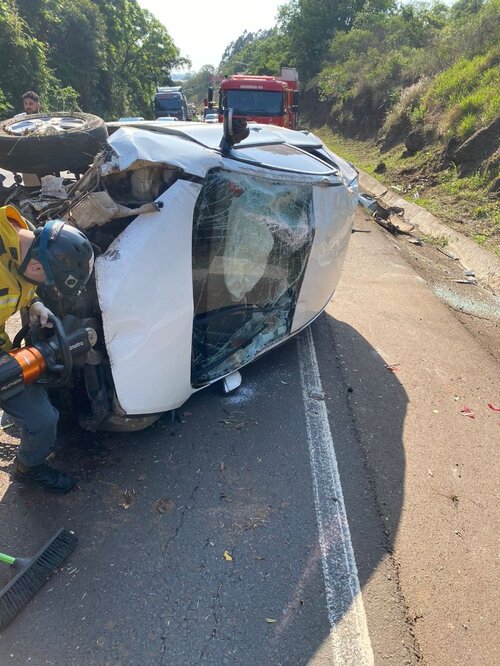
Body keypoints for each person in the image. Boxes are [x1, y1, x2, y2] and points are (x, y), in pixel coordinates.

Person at [0, 204, 94, 493]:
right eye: (47, 282)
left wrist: (34, 303)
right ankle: (31, 469)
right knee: (40, 417)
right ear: (37, 267)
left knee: (41, 417)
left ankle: (29, 465)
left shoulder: (26, 239)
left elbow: (23, 284)